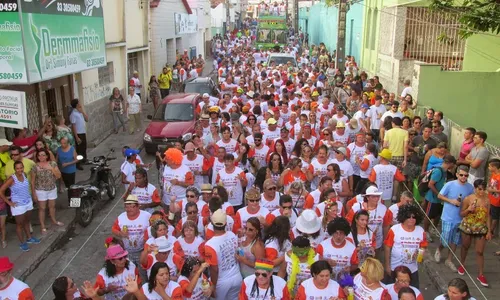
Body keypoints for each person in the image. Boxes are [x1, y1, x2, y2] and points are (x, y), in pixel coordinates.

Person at [435, 164, 474, 272]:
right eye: (461, 175)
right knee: (445, 238)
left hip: (460, 218)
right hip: (448, 216)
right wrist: (451, 201)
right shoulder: (449, 184)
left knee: (455, 240)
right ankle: (439, 249)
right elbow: (439, 195)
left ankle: (449, 259)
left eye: (466, 175)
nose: (463, 177)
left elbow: (472, 199)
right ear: (457, 174)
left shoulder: (470, 187)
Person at [0, 161, 40, 252]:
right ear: (15, 169)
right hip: (18, 205)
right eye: (17, 168)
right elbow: (1, 191)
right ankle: (22, 243)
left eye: (21, 167)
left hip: (28, 202)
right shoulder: (12, 179)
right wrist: (9, 203)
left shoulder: (25, 174)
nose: (20, 170)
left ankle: (29, 238)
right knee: (19, 225)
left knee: (27, 221)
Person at [384, 204, 427, 287]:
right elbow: (387, 247)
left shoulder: (421, 231)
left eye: (413, 217)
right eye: (408, 217)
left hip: (412, 270)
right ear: (403, 217)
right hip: (395, 268)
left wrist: (419, 256)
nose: (411, 219)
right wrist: (387, 266)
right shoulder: (394, 229)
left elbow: (423, 247)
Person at [458, 179, 491, 287]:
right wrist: (468, 209)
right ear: (475, 188)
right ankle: (462, 264)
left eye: (483, 189)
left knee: (480, 251)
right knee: (465, 246)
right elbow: (461, 214)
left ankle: (481, 274)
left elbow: (488, 216)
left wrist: (489, 231)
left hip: (481, 227)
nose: (481, 191)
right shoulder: (468, 199)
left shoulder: (487, 200)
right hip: (468, 226)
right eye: (479, 189)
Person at [204, 209, 242, 300]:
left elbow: (214, 269)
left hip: (221, 282)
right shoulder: (232, 235)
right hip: (237, 277)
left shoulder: (209, 245)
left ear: (212, 224)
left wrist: (213, 285)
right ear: (225, 224)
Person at [111, 195, 151, 275]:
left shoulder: (147, 216)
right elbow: (113, 229)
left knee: (143, 273)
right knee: (129, 273)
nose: (129, 209)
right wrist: (120, 233)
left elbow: (154, 228)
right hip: (127, 252)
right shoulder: (121, 217)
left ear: (137, 206)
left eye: (132, 207)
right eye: (127, 207)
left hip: (142, 251)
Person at [423, 154, 456, 243]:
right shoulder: (438, 171)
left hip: (439, 199)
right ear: (450, 163)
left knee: (437, 215)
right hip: (432, 198)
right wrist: (439, 194)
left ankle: (433, 229)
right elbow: (430, 184)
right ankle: (425, 232)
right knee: (428, 215)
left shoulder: (445, 171)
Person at [31, 148, 63, 234]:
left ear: (47, 156)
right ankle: (42, 226)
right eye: (39, 155)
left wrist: (51, 169)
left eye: (43, 155)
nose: (41, 157)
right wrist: (33, 193)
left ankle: (54, 220)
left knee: (52, 206)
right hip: (40, 190)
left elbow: (59, 176)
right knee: (42, 208)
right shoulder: (35, 167)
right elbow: (33, 181)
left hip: (52, 188)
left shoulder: (52, 164)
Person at [69, 99, 88, 170]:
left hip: (83, 132)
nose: (80, 104)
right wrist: (76, 137)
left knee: (84, 147)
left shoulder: (80, 112)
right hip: (78, 134)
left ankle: (84, 160)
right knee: (79, 150)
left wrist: (82, 111)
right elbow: (73, 126)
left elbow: (87, 119)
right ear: (76, 105)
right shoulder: (73, 114)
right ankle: (78, 163)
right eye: (79, 103)